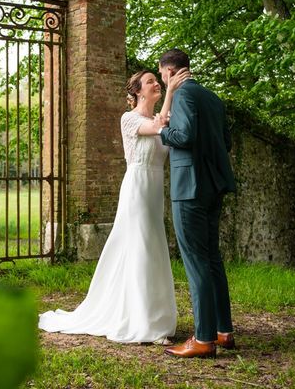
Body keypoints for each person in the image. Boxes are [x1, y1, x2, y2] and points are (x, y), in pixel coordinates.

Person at [38, 68, 190, 343]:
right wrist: (171, 91)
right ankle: (142, 322)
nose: (156, 84)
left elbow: (163, 125)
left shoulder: (159, 117)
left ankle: (155, 317)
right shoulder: (129, 119)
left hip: (155, 191)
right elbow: (157, 128)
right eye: (150, 82)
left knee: (153, 247)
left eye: (157, 81)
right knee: (142, 246)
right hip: (137, 188)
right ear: (137, 92)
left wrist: (172, 97)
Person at [153, 48, 236, 359]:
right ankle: (223, 331)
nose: (163, 80)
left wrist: (163, 129)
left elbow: (184, 137)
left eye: (162, 75)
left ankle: (203, 339)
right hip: (213, 187)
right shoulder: (213, 99)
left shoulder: (185, 96)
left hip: (189, 188)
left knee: (196, 260)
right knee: (212, 259)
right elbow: (225, 143)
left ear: (171, 71)